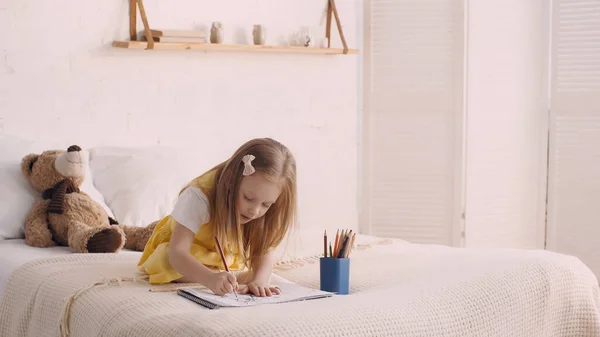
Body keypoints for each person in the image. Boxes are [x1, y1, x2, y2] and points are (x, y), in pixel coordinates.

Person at [137, 138, 297, 297]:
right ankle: (222, 275)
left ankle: (226, 275)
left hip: (219, 255)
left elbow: (264, 251)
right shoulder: (198, 196)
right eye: (248, 198)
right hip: (182, 251)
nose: (255, 211)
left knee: (260, 271)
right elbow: (177, 252)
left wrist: (260, 282)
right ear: (230, 180)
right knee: (166, 260)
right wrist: (209, 279)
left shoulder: (259, 208)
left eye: (266, 205)